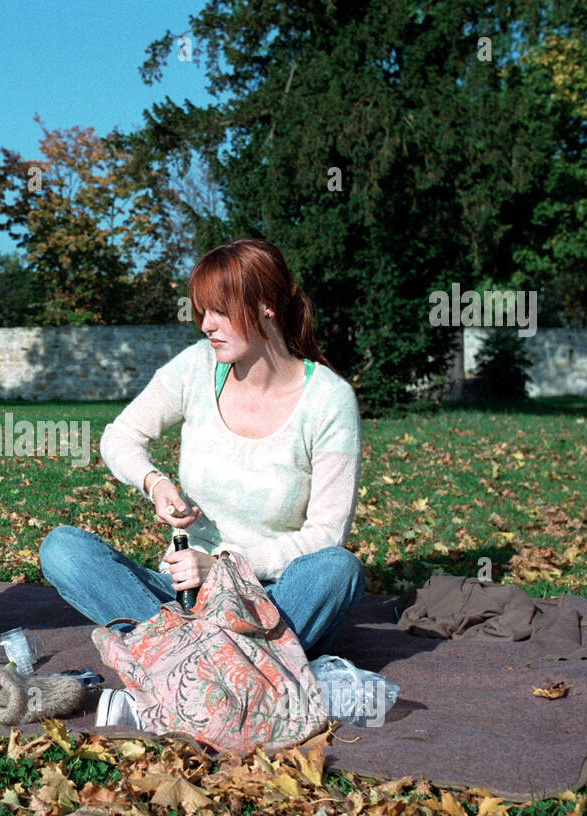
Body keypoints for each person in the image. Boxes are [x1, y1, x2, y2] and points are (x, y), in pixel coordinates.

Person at [40, 239, 364, 722]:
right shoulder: (197, 367)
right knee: (62, 549)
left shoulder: (329, 401)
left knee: (338, 569)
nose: (206, 325)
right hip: (181, 600)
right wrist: (154, 483)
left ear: (266, 306)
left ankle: (175, 667)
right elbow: (120, 437)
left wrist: (224, 567)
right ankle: (228, 671)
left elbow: (325, 536)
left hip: (268, 600)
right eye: (202, 311)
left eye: (220, 311)